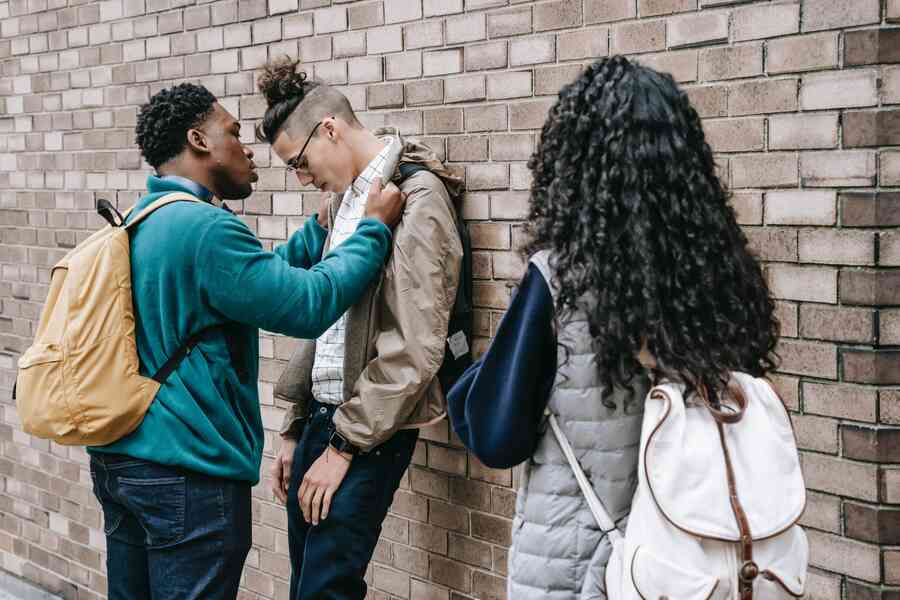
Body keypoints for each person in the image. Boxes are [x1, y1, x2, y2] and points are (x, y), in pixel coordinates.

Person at [447, 56, 779, 599]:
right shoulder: (722, 275)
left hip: (582, 567)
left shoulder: (559, 280)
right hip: (696, 567)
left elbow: (496, 437)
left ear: (573, 161)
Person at [87, 82, 407, 600]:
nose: (247, 148)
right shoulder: (206, 229)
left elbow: (257, 282)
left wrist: (322, 228)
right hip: (185, 473)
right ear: (199, 140)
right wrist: (370, 228)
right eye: (233, 132)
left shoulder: (150, 218)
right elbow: (307, 305)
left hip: (125, 462)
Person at [255, 58, 464, 600]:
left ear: (330, 129)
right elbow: (326, 323)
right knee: (306, 584)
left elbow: (415, 348)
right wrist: (295, 426)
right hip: (322, 423)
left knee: (326, 589)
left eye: (299, 162)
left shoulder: (415, 200)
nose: (300, 178)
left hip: (366, 432)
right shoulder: (346, 204)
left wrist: (343, 447)